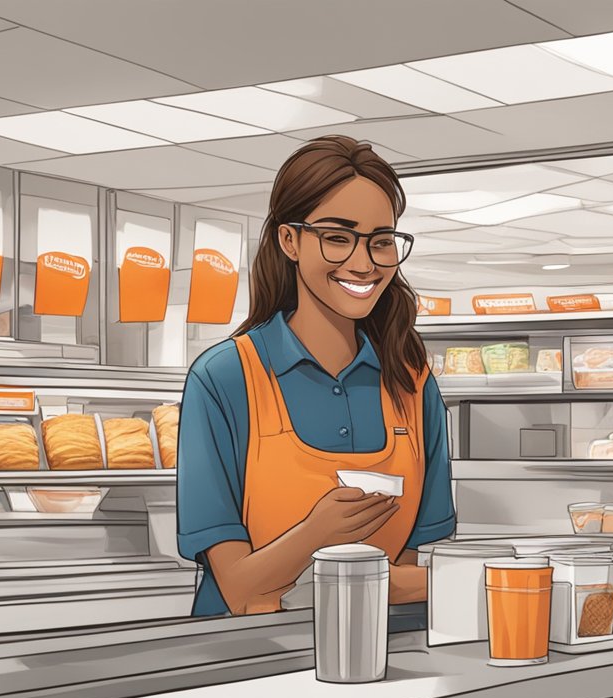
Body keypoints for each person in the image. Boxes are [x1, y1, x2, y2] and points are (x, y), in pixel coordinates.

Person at [176, 135, 454, 616]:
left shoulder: (411, 384)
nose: (364, 263)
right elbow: (239, 591)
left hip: (383, 652)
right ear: (290, 240)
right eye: (338, 237)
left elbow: (409, 573)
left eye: (381, 241)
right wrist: (317, 535)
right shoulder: (224, 379)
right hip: (252, 662)